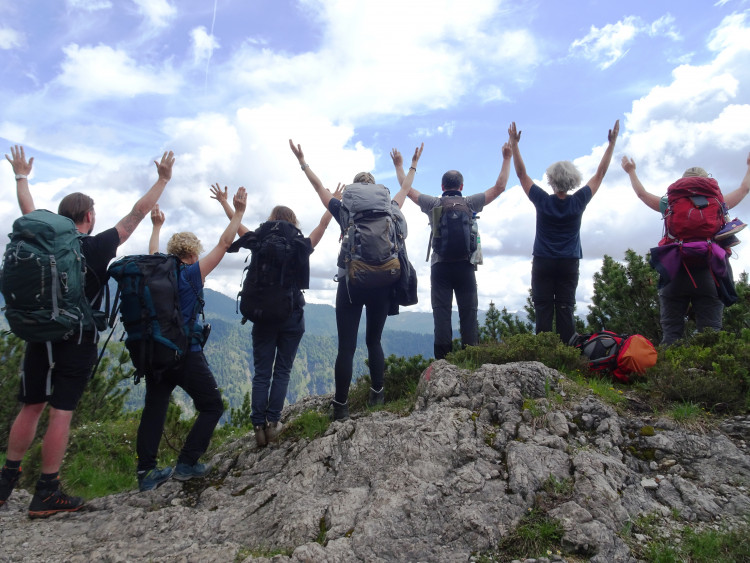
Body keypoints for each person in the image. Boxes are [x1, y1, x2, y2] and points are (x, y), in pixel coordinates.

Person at [1, 144, 174, 517]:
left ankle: (5, 483)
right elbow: (137, 214)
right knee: (61, 412)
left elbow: (27, 211)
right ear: (89, 217)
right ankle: (47, 489)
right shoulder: (97, 247)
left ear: (62, 219)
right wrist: (161, 180)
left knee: (31, 406)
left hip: (39, 333)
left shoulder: (46, 244)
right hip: (76, 338)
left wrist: (21, 177)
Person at [289, 139, 420, 420]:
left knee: (346, 347)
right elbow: (405, 189)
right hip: (384, 282)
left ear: (355, 191)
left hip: (352, 284)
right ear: (375, 190)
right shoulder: (390, 210)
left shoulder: (345, 210)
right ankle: (378, 395)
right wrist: (411, 166)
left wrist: (303, 162)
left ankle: (341, 406)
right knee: (375, 341)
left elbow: (319, 189)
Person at [210, 183, 340, 448]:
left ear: (271, 221)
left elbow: (237, 227)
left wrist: (228, 205)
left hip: (261, 315)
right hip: (292, 316)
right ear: (293, 223)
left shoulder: (259, 241)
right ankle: (273, 424)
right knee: (282, 370)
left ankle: (257, 426)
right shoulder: (299, 244)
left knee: (261, 373)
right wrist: (332, 203)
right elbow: (322, 227)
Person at [136, 187, 247, 490]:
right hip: (186, 353)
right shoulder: (191, 275)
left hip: (156, 352)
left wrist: (156, 227)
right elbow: (225, 244)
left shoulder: (157, 272)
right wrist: (238, 211)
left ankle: (146, 473)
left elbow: (151, 254)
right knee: (212, 406)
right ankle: (187, 462)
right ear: (194, 254)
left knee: (154, 409)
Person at [392, 142, 512, 359]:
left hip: (440, 267)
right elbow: (500, 187)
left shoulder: (434, 204)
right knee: (469, 314)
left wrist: (404, 165)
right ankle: (471, 360)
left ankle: (443, 364)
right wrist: (506, 158)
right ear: (462, 186)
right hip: (466, 266)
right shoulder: (470, 202)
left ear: (442, 185)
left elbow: (405, 189)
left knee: (442, 314)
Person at [508, 120, 619, 345]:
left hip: (543, 260)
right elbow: (600, 174)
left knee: (543, 308)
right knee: (566, 307)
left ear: (550, 180)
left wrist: (514, 144)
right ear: (572, 181)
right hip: (569, 261)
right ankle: (568, 354)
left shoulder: (542, 200)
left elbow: (521, 174)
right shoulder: (579, 201)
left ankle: (544, 354)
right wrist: (611, 144)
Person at [622, 154, 750, 345]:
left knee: (671, 335)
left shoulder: (670, 203)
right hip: (710, 272)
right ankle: (708, 374)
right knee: (710, 337)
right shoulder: (718, 202)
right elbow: (744, 188)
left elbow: (642, 194)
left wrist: (631, 171)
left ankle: (668, 374)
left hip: (675, 272)